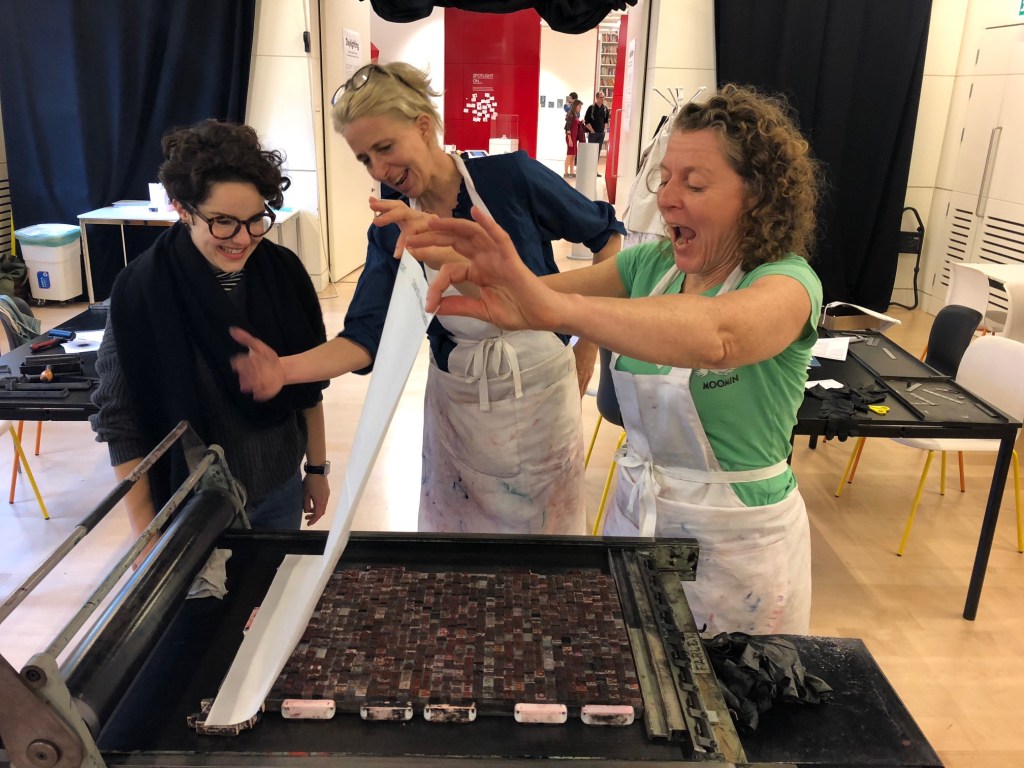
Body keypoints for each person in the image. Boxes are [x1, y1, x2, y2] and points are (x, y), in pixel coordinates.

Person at [408, 84, 823, 636]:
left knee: (733, 704)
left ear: (757, 196)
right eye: (666, 177)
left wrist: (555, 307)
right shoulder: (651, 265)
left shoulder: (788, 282)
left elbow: (717, 335)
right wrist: (496, 278)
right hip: (637, 519)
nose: (668, 197)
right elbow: (538, 295)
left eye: (694, 183)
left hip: (737, 547)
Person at [230, 62, 624, 536]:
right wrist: (286, 370)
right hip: (458, 403)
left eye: (385, 148)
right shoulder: (391, 229)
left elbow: (607, 237)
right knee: (454, 548)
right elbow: (364, 337)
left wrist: (589, 344)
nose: (380, 170)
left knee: (544, 545)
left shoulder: (510, 179)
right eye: (365, 159)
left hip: (540, 392)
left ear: (423, 126)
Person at [90, 119, 330, 541]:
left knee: (274, 602)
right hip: (193, 504)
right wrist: (147, 533)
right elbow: (119, 421)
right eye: (223, 222)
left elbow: (308, 383)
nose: (242, 238)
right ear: (182, 208)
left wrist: (315, 469)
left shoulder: (283, 274)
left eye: (256, 219)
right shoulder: (141, 291)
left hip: (280, 488)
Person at [584, 92, 610, 170]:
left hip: (601, 133)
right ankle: (588, 170)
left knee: (597, 152)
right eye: (601, 97)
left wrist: (603, 130)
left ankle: (594, 170)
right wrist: (592, 131)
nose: (603, 99)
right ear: (597, 98)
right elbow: (586, 121)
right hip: (593, 134)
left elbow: (606, 121)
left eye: (603, 97)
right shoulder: (591, 108)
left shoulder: (605, 109)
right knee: (591, 152)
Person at [563, 99, 585, 178]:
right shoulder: (570, 115)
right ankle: (566, 172)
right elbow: (568, 128)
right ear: (576, 106)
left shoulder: (575, 115)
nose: (580, 108)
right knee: (570, 155)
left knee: (573, 155)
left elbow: (575, 125)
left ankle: (571, 172)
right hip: (570, 138)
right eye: (579, 106)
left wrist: (580, 122)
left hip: (574, 138)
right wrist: (570, 139)